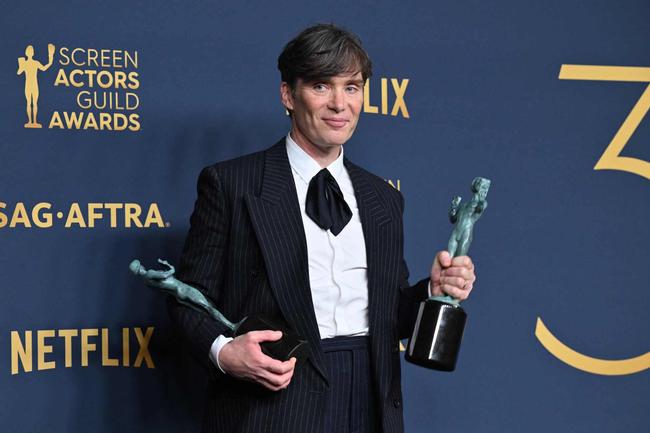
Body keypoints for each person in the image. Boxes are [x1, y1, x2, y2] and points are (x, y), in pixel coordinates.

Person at [168, 24, 476, 433]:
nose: (339, 104)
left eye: (352, 87)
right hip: (270, 404)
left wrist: (432, 292)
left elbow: (390, 316)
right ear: (288, 95)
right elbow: (187, 299)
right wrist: (224, 352)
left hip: (370, 397)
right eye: (320, 86)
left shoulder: (383, 199)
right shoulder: (233, 185)